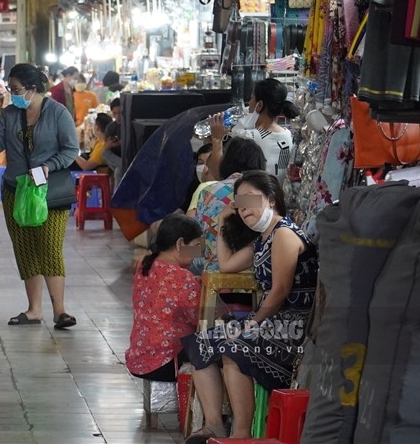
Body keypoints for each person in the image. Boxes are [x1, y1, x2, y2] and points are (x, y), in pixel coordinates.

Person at [181, 170, 318, 442]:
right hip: (271, 321)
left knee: (235, 348)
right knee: (201, 342)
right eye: (240, 206)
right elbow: (227, 265)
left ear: (271, 200)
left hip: (292, 327)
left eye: (251, 202)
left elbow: (280, 290)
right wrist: (222, 222)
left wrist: (251, 324)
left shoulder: (284, 234)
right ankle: (214, 424)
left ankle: (241, 433)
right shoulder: (263, 240)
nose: (245, 211)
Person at [0, 64, 80, 329]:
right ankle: (34, 310)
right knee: (26, 249)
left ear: (33, 89)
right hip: (16, 190)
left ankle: (60, 310)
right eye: (11, 89)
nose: (13, 94)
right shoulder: (10, 113)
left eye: (17, 89)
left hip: (48, 192)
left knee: (50, 246)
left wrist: (48, 166)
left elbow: (71, 150)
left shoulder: (58, 113)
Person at [126, 213, 202, 382]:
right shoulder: (182, 277)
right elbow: (202, 320)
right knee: (218, 348)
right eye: (196, 246)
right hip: (164, 363)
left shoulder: (144, 266)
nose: (198, 254)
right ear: (180, 243)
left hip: (138, 360)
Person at [185, 138, 266, 274]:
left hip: (209, 272)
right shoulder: (256, 193)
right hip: (246, 274)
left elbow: (198, 238)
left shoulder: (207, 191)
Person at [205, 78, 299, 185]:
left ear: (259, 105)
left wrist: (217, 139)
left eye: (251, 98)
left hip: (251, 199)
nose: (249, 103)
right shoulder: (287, 134)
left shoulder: (246, 138)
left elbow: (218, 175)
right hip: (276, 197)